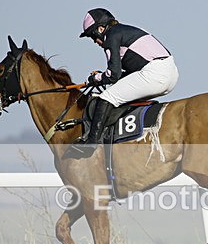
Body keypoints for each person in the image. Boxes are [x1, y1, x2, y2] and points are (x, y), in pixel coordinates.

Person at [75, 8, 179, 149]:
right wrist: (102, 77)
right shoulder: (126, 30)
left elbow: (113, 74)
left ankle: (91, 143)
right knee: (120, 95)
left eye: (92, 36)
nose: (95, 42)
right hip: (171, 73)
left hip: (154, 74)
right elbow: (124, 74)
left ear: (100, 29)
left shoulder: (111, 36)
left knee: (106, 97)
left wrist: (96, 79)